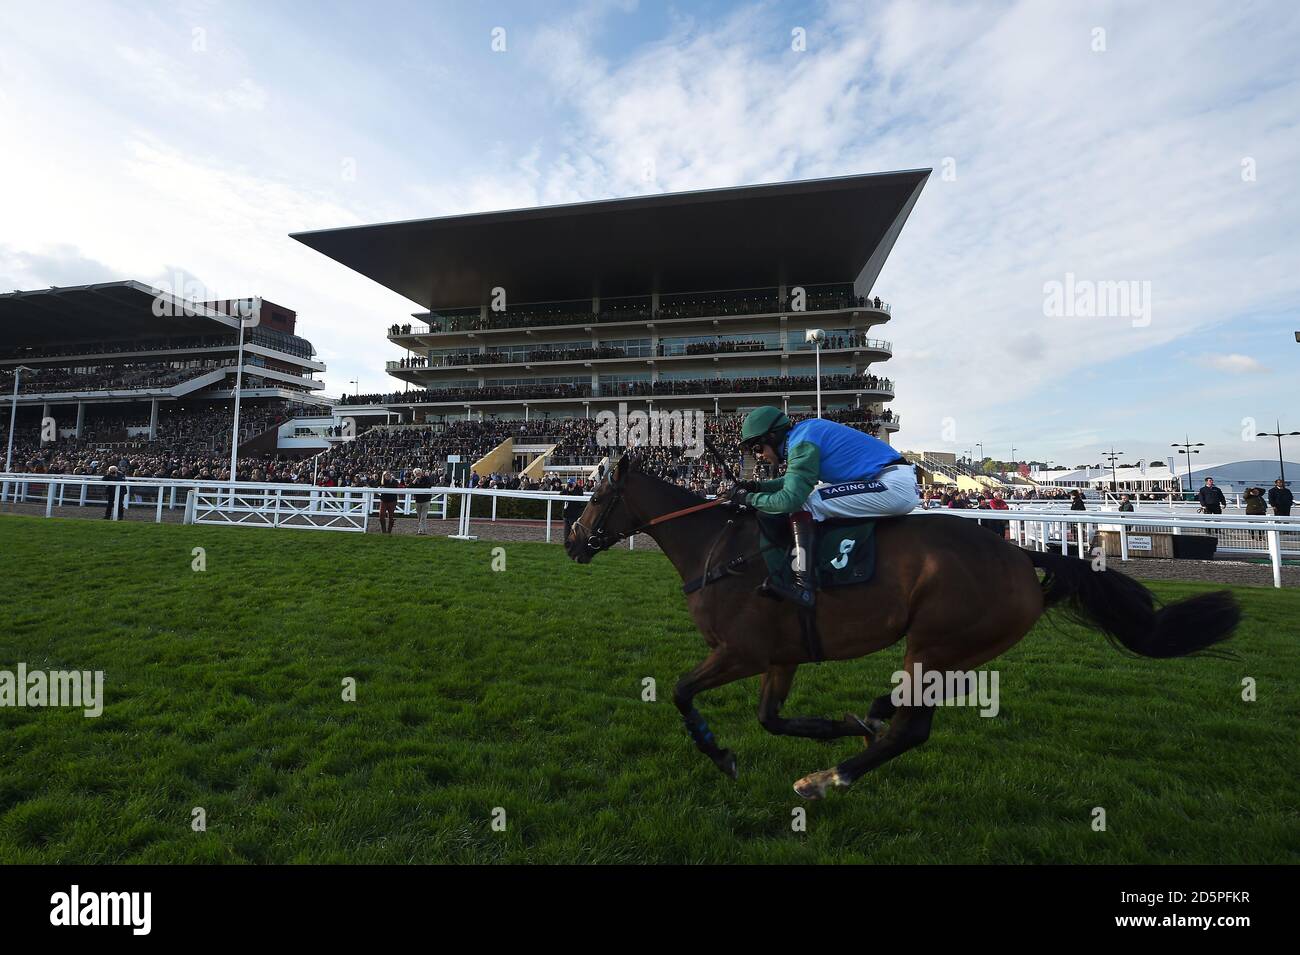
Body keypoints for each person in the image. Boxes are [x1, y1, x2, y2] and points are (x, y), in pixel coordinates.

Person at [727, 406, 918, 607]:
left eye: (758, 448)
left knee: (810, 502)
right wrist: (757, 486)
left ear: (773, 437)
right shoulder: (803, 434)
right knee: (815, 494)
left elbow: (790, 499)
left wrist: (748, 498)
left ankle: (803, 587)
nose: (759, 456)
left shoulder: (802, 443)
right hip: (891, 477)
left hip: (893, 484)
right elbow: (794, 481)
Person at [410, 467, 433, 535]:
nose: (418, 474)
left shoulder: (426, 478)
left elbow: (429, 486)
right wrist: (415, 480)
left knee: (423, 517)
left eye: (419, 472)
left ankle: (420, 531)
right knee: (420, 517)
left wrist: (419, 483)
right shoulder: (414, 480)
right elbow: (410, 487)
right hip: (418, 500)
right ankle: (424, 530)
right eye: (416, 473)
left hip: (426, 500)